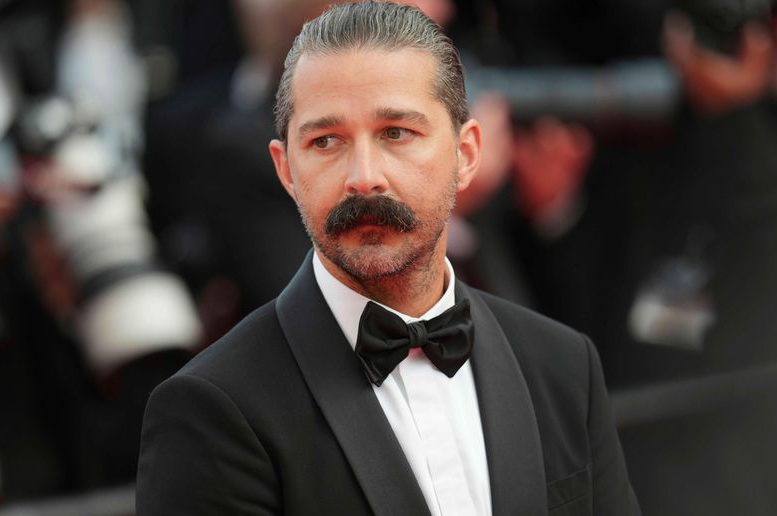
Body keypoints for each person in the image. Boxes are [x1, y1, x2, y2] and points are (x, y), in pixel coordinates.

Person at [136, 3, 640, 515]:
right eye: (326, 141)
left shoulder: (563, 366)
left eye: (396, 133)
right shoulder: (214, 410)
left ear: (466, 154)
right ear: (287, 170)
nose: (363, 176)